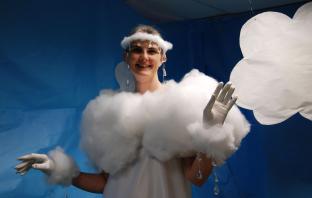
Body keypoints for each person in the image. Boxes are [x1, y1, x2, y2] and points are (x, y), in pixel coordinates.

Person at [15, 25, 249, 198]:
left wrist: (211, 131)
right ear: (126, 57)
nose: (144, 57)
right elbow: (105, 184)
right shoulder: (108, 112)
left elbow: (196, 178)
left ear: (163, 57)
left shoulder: (180, 104)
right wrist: (60, 169)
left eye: (152, 50)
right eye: (136, 50)